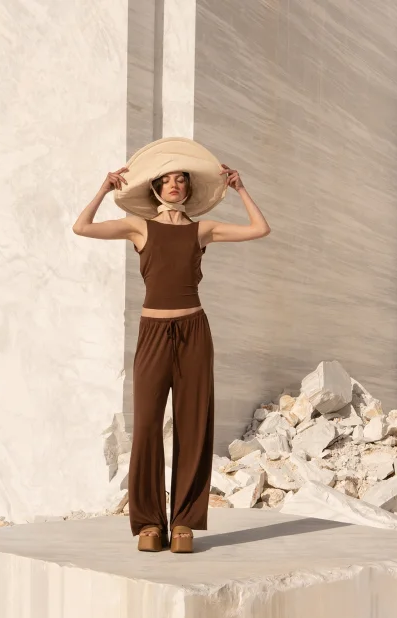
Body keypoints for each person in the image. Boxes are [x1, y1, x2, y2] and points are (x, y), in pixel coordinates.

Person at [72, 137, 270, 553]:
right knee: (146, 425)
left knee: (193, 425)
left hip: (194, 332)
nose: (175, 184)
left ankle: (183, 523)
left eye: (182, 179)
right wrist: (104, 189)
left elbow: (259, 229)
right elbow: (82, 227)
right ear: (156, 188)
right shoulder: (139, 227)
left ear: (189, 189)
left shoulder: (203, 230)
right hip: (153, 333)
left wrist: (240, 188)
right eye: (168, 179)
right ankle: (148, 523)